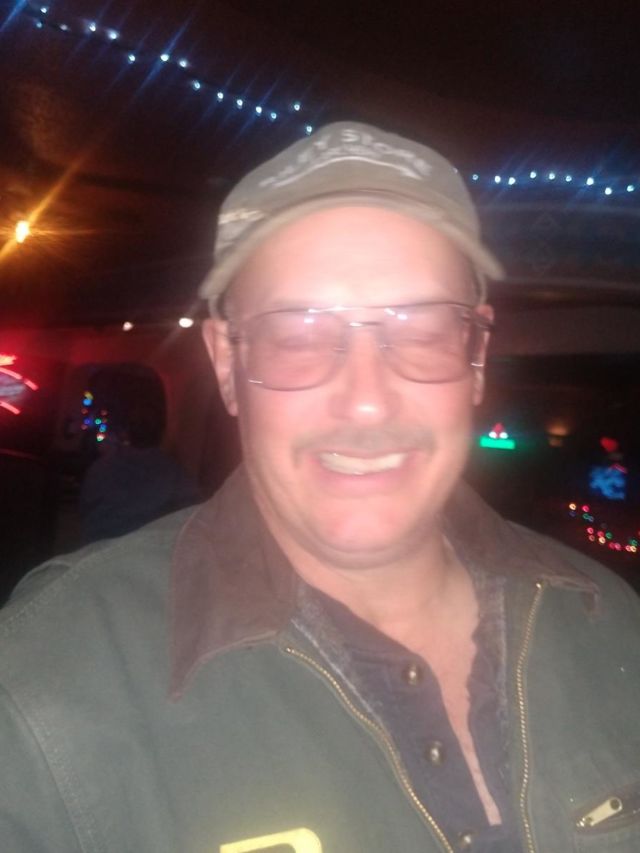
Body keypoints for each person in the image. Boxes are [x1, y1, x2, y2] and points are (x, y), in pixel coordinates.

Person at [1, 122, 639, 853]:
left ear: (475, 355)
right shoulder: (42, 686)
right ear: (227, 364)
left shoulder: (610, 621)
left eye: (421, 330)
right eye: (297, 336)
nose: (366, 402)